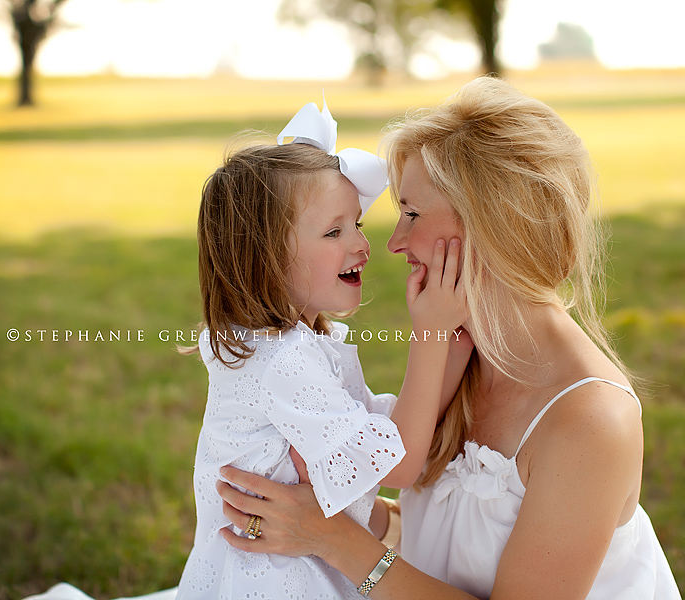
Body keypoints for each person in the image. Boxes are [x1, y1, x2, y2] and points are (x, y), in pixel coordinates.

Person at [216, 77, 682, 600]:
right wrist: (308, 513)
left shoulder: (592, 419)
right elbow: (445, 528)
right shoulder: (460, 350)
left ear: (494, 224)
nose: (391, 243)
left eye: (411, 213)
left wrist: (335, 540)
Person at [173, 99, 468, 600]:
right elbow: (399, 464)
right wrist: (432, 335)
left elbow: (388, 434)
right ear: (263, 258)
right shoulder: (282, 361)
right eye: (334, 231)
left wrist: (456, 339)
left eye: (356, 222)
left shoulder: (292, 346)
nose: (362, 245)